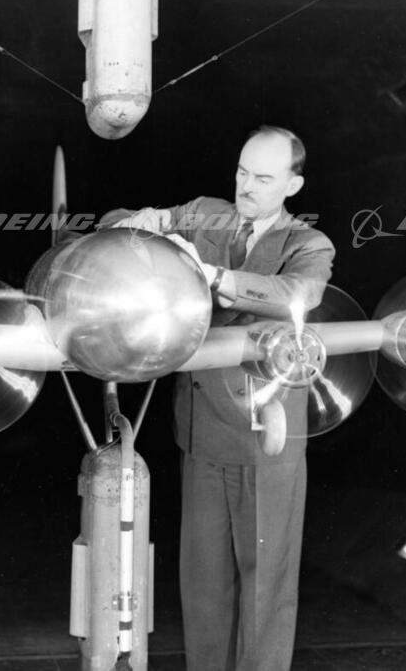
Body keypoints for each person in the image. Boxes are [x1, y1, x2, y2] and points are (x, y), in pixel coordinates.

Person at [106, 126, 335, 671]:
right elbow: (116, 223)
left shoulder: (308, 244)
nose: (246, 187)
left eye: (263, 178)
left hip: (266, 439)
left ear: (293, 185)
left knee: (265, 587)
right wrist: (141, 221)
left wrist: (209, 274)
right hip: (202, 432)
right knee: (203, 584)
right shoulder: (205, 213)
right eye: (241, 172)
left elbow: (298, 294)